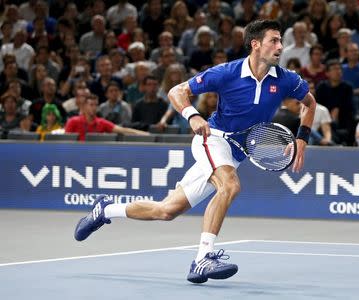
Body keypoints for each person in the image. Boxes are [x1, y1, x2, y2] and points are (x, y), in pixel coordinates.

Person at [73, 20, 316, 284]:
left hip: (236, 153)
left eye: (281, 41)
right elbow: (177, 91)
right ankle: (202, 259)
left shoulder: (286, 80)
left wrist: (302, 138)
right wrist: (192, 116)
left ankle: (106, 210)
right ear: (255, 44)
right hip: (212, 140)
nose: (280, 46)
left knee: (167, 210)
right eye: (274, 40)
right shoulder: (226, 73)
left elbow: (309, 104)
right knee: (230, 186)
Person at [65, 94, 149, 141]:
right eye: (91, 105)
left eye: (96, 105)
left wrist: (147, 134)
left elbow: (123, 130)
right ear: (84, 106)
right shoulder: (73, 121)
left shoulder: (101, 122)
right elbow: (66, 142)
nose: (94, 108)